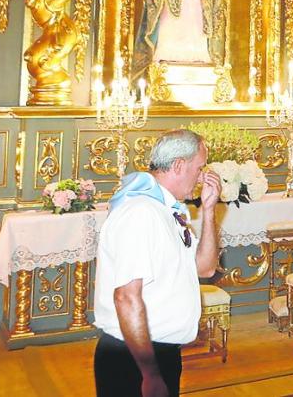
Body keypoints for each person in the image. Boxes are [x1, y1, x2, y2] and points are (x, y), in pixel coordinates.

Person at [93, 129, 221, 397]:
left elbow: (205, 268)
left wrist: (209, 211)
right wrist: (149, 373)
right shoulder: (141, 213)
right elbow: (126, 297)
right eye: (199, 169)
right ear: (178, 166)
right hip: (134, 357)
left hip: (159, 352)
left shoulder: (165, 210)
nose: (201, 178)